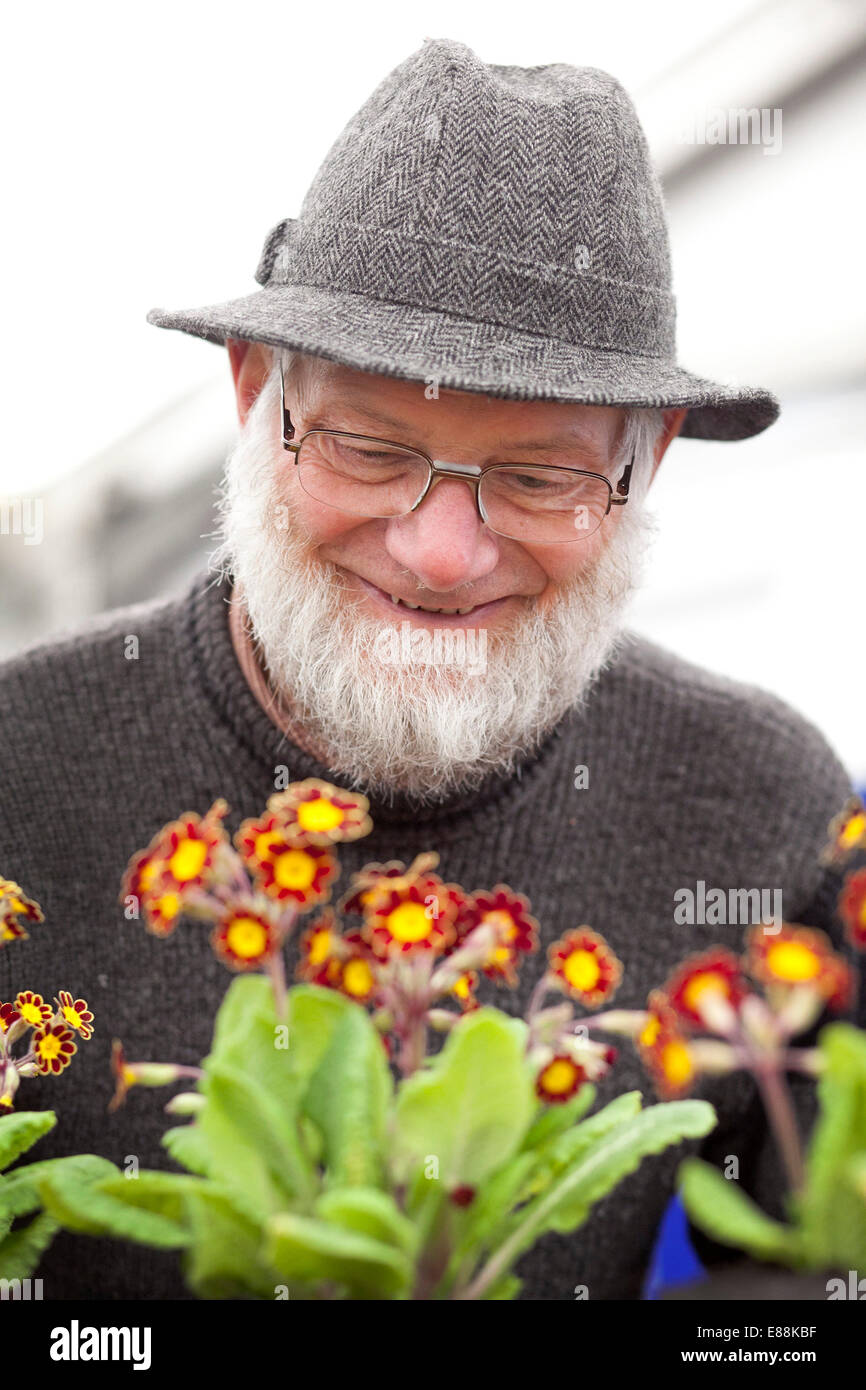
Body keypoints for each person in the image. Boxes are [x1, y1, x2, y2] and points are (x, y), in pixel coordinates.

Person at [0, 36, 858, 1301]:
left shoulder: (758, 809)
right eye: (366, 445)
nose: (442, 551)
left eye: (537, 476)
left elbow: (799, 1287)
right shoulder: (22, 773)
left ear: (649, 463)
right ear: (252, 396)